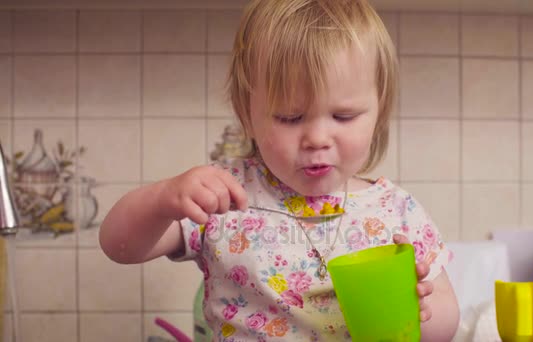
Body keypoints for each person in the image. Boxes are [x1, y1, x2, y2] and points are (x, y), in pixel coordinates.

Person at [99, 0, 460, 341]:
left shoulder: (398, 211)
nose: (317, 138)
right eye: (290, 117)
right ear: (248, 116)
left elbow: (446, 322)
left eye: (343, 116)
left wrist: (419, 310)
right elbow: (119, 246)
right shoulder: (223, 194)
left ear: (378, 114)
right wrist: (163, 199)